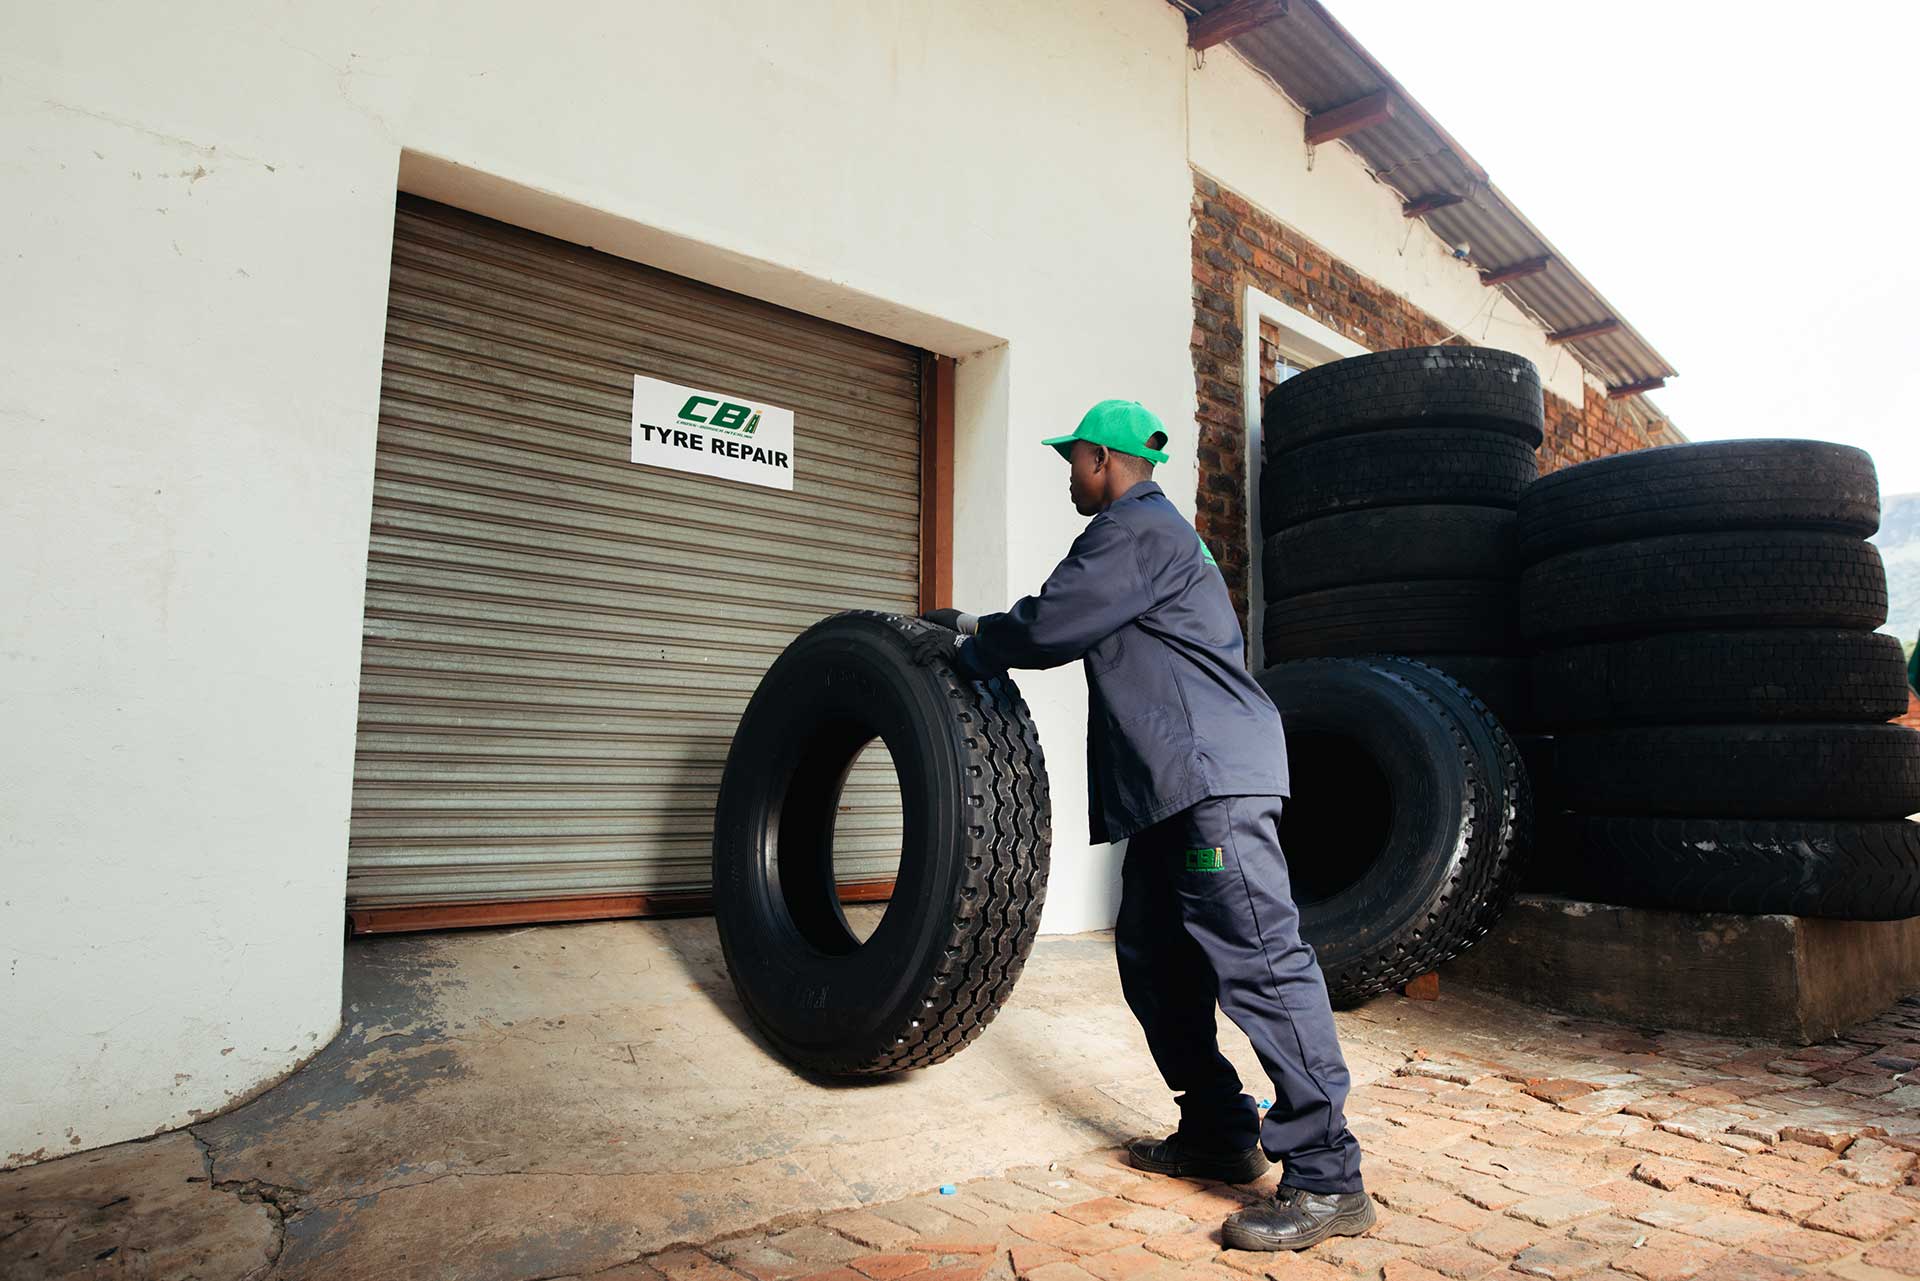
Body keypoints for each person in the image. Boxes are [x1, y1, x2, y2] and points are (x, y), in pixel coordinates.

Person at [915, 400, 1370, 1253]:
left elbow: (1052, 625)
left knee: (1263, 964)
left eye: (1072, 463)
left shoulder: (1132, 529)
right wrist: (985, 630)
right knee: (1156, 958)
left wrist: (973, 643)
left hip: (1209, 785)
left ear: (1101, 458)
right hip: (1173, 788)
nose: (1070, 479)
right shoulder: (1156, 536)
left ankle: (1329, 1175)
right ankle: (1218, 1129)